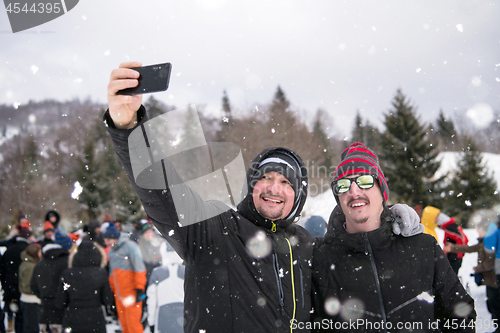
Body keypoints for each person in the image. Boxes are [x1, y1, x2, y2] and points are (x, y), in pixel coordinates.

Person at [104, 62, 423, 333]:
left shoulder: (308, 247)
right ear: (251, 185)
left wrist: (386, 220)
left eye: (286, 182)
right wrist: (130, 127)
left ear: (297, 196)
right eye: (265, 177)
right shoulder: (215, 230)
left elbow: (354, 251)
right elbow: (164, 191)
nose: (273, 187)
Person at [312, 142, 475, 332]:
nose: (354, 191)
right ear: (338, 197)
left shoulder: (423, 247)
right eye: (343, 184)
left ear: (382, 191)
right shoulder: (321, 261)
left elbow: (461, 314)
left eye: (365, 180)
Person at [445, 218, 499, 330]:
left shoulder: (489, 241)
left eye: (477, 229)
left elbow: (490, 263)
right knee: (492, 305)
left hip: (494, 279)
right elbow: (470, 248)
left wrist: (478, 268)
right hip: (491, 279)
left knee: (495, 305)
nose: (477, 231)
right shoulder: (484, 241)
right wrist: (453, 248)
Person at [55, 240, 113, 333]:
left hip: (72, 318)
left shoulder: (67, 274)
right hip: (95, 319)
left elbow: (60, 302)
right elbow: (107, 299)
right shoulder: (101, 273)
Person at [103, 223, 146, 333]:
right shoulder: (112, 252)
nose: (106, 243)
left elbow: (139, 268)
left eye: (108, 240)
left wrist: (139, 288)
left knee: (133, 324)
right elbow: (112, 274)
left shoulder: (130, 247)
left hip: (131, 293)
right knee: (124, 324)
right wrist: (112, 291)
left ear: (114, 237)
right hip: (119, 295)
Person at [31, 228, 73, 333]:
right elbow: (70, 285)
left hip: (45, 310)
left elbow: (33, 286)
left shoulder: (41, 263)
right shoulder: (68, 262)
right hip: (64, 310)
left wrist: (44, 296)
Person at [0, 222, 34, 333]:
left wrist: (6, 287)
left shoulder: (8, 251)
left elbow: (2, 271)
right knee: (23, 319)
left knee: (12, 315)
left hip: (10, 290)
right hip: (24, 291)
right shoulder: (28, 252)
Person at [147, 242, 185, 333]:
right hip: (183, 317)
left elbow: (151, 300)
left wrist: (151, 321)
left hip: (163, 317)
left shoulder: (157, 272)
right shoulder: (186, 272)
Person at [436, 210, 469, 275]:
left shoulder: (450, 228)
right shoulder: (452, 226)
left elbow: (461, 239)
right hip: (454, 257)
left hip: (454, 258)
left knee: (451, 277)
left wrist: (456, 252)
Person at [19, 242, 42, 333]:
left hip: (27, 300)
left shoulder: (27, 263)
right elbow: (28, 285)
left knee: (29, 326)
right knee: (32, 328)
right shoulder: (31, 266)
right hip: (31, 300)